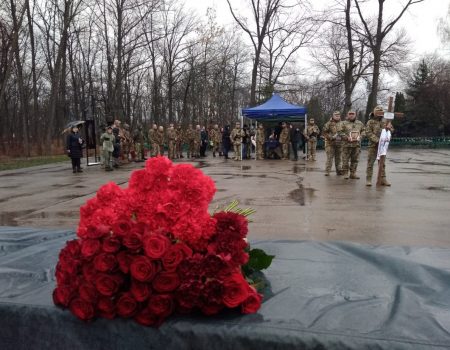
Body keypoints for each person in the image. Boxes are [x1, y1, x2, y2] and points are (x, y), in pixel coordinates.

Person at [365, 105, 394, 186]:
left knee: (382, 163)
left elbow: (391, 130)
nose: (379, 114)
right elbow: (368, 133)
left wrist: (389, 128)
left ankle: (383, 179)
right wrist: (378, 141)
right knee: (370, 163)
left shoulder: (385, 122)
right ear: (374, 112)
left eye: (380, 112)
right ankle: (368, 179)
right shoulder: (370, 122)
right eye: (377, 112)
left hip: (382, 147)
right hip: (373, 146)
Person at [341, 110, 365, 179]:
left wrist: (361, 136)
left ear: (355, 115)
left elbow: (364, 130)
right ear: (347, 115)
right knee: (345, 160)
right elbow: (339, 131)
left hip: (356, 145)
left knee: (355, 160)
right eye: (350, 114)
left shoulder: (359, 123)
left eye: (353, 114)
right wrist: (346, 137)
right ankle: (345, 173)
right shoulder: (343, 123)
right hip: (346, 145)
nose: (351, 115)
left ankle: (353, 173)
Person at [322, 111, 344, 176]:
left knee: (338, 158)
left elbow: (345, 132)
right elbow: (324, 132)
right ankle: (327, 171)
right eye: (336, 115)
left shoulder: (342, 123)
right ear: (333, 116)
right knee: (329, 158)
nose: (337, 116)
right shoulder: (328, 123)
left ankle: (339, 171)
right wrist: (331, 137)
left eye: (338, 115)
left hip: (339, 143)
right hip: (330, 144)